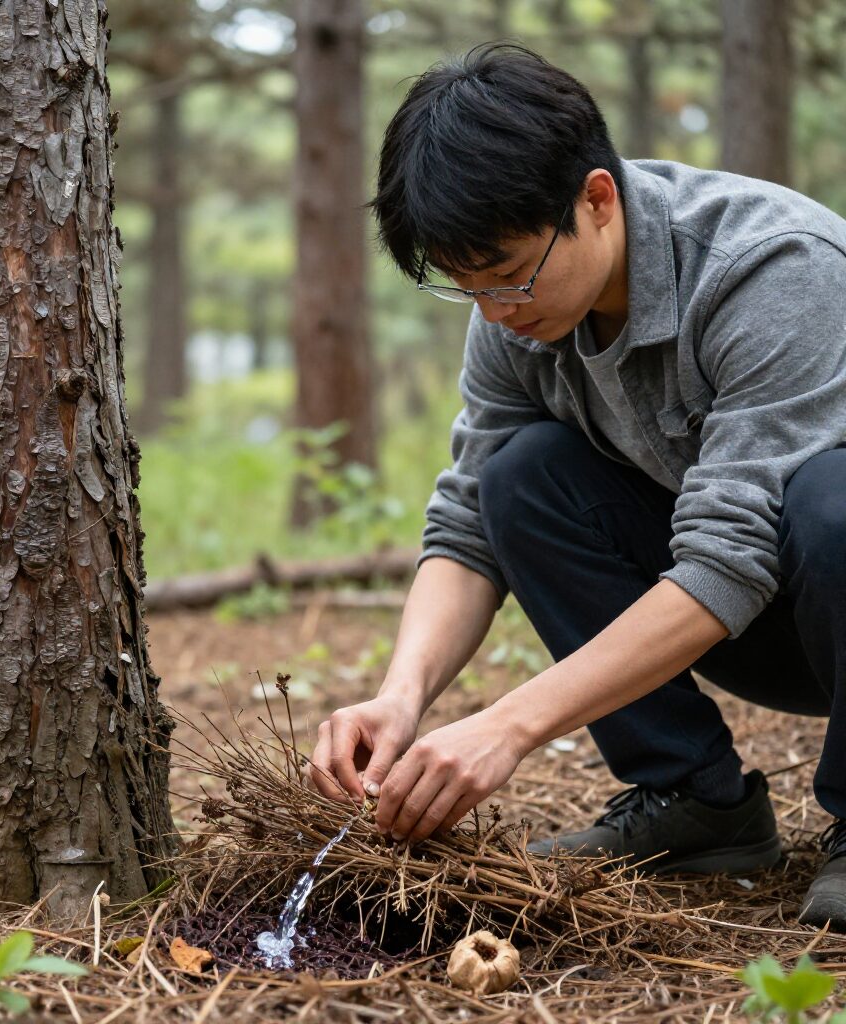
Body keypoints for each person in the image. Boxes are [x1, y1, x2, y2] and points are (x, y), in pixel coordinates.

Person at [308, 43, 846, 932]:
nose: (495, 311)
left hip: (814, 576)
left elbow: (729, 557)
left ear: (597, 199)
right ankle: (695, 804)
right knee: (520, 476)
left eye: (508, 275)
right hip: (756, 618)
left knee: (833, 496)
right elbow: (467, 526)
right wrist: (402, 697)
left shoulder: (772, 269)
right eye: (465, 287)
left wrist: (510, 725)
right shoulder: (515, 313)